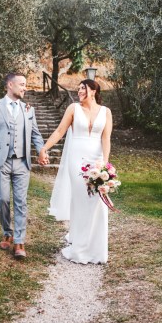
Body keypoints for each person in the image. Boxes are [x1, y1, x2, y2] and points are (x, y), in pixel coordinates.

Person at [38, 79, 113, 264]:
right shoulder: (73, 108)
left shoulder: (106, 112)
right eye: (78, 88)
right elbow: (59, 131)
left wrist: (104, 163)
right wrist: (44, 148)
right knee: (81, 200)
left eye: (83, 88)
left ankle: (96, 248)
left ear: (93, 91)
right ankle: (79, 246)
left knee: (98, 202)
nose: (79, 91)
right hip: (76, 160)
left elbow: (106, 139)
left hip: (96, 160)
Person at [0, 73, 48, 259]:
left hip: (22, 162)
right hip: (0, 161)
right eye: (22, 84)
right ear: (10, 85)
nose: (25, 88)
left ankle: (19, 241)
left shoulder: (28, 109)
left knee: (20, 202)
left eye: (25, 84)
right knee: (2, 199)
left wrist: (41, 150)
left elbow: (36, 134)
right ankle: (7, 232)